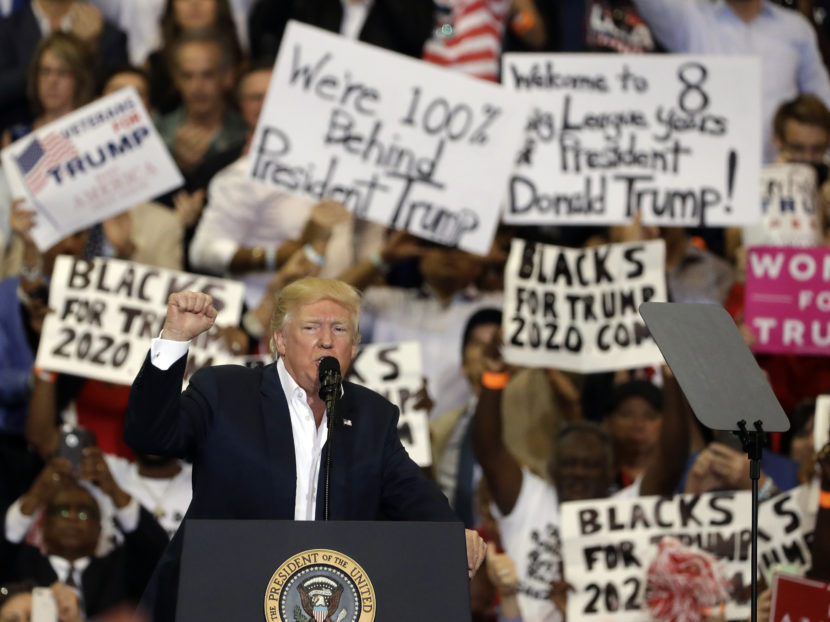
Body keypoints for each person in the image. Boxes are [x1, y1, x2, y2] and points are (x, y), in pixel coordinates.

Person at [124, 277, 487, 622]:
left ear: (354, 347)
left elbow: (412, 493)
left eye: (340, 330)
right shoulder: (226, 391)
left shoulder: (372, 415)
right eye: (312, 327)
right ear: (280, 340)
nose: (327, 341)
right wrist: (173, 339)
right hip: (219, 597)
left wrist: (452, 534)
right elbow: (151, 435)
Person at [629, 0, 830, 162]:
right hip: (710, 180)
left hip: (780, 181)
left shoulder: (796, 30)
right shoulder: (689, 19)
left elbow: (823, 105)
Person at [0, 456, 168, 618]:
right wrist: (35, 495)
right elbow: (7, 541)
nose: (72, 518)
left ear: (99, 528)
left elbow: (156, 550)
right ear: (43, 524)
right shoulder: (21, 567)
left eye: (83, 513)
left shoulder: (119, 571)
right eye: (63, 510)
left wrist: (113, 489)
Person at [0, 0, 127, 132]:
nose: (52, 81)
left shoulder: (104, 33)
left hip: (89, 134)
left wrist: (86, 51)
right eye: (45, 72)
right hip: (24, 138)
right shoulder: (6, 29)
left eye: (63, 72)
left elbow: (117, 95)